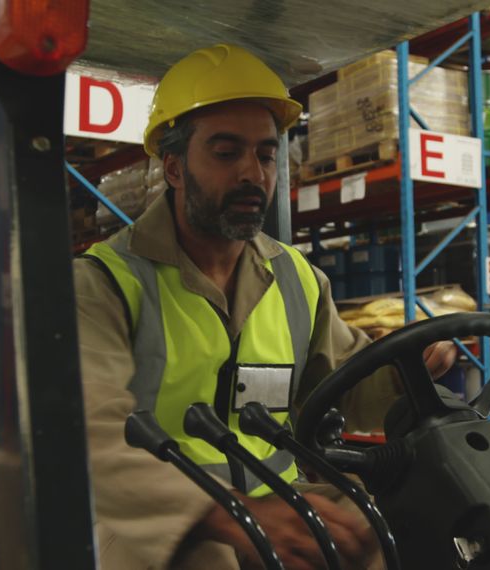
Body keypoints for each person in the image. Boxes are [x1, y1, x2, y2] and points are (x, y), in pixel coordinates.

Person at [74, 44, 457, 569]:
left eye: (266, 153)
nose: (253, 173)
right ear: (174, 167)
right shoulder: (104, 285)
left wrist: (409, 367)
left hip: (273, 500)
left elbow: (342, 384)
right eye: (227, 153)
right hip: (155, 521)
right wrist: (232, 515)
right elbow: (90, 441)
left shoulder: (297, 279)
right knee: (208, 561)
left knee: (383, 530)